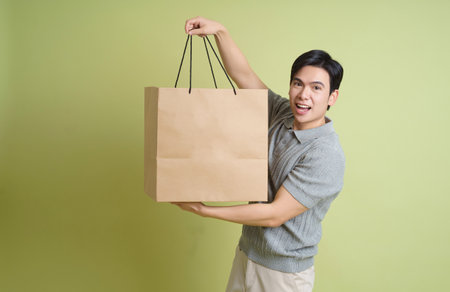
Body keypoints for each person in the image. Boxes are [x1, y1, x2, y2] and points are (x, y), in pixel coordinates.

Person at [172, 16, 345, 292]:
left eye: (316, 88)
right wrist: (220, 32)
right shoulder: (281, 113)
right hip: (247, 255)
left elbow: (275, 214)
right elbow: (245, 76)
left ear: (332, 97)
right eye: (298, 84)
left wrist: (204, 210)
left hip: (284, 275)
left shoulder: (325, 155)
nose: (303, 95)